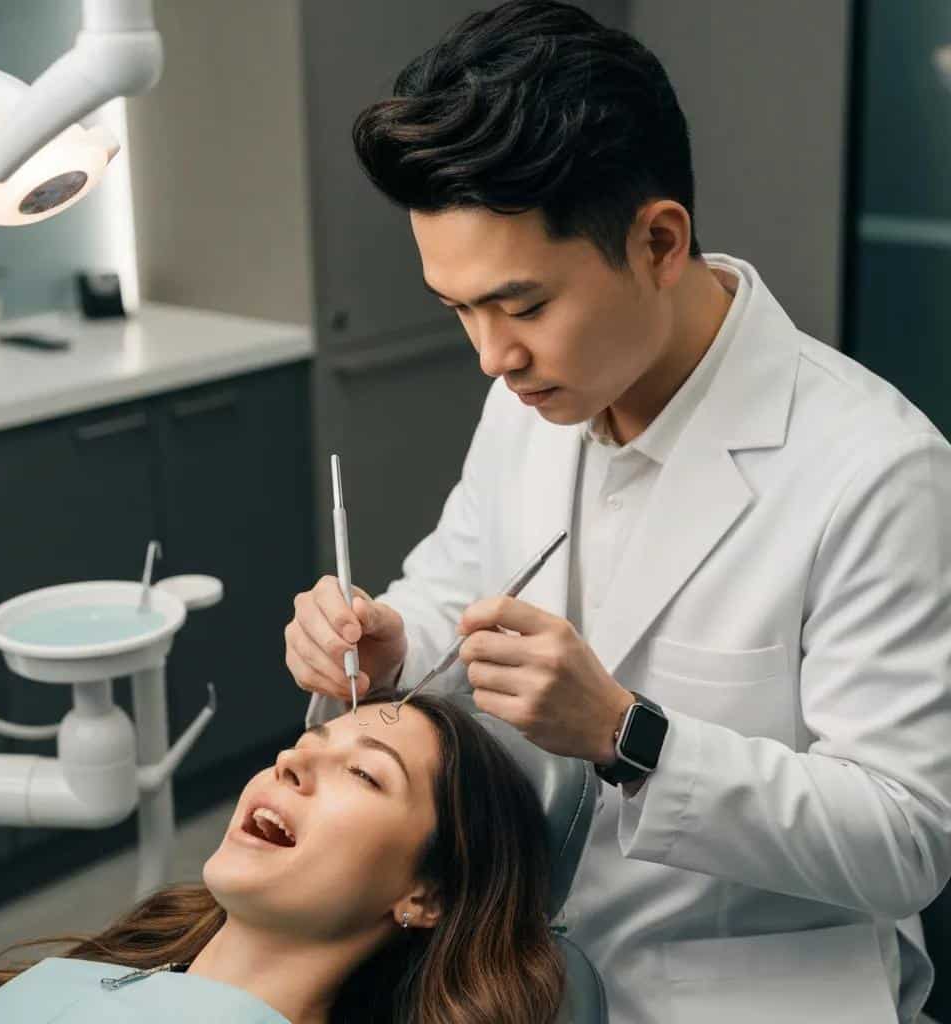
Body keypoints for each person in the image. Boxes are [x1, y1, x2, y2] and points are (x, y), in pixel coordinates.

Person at [288, 2, 951, 1022]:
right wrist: (390, 641)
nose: (491, 355)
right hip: (527, 972)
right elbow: (454, 583)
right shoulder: (531, 399)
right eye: (459, 309)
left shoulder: (878, 472)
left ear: (658, 241)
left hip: (747, 988)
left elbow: (908, 839)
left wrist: (626, 735)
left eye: (523, 305)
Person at [0, 690, 564, 1024]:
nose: (290, 762)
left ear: (424, 896)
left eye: (364, 774)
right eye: (306, 743)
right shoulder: (124, 963)